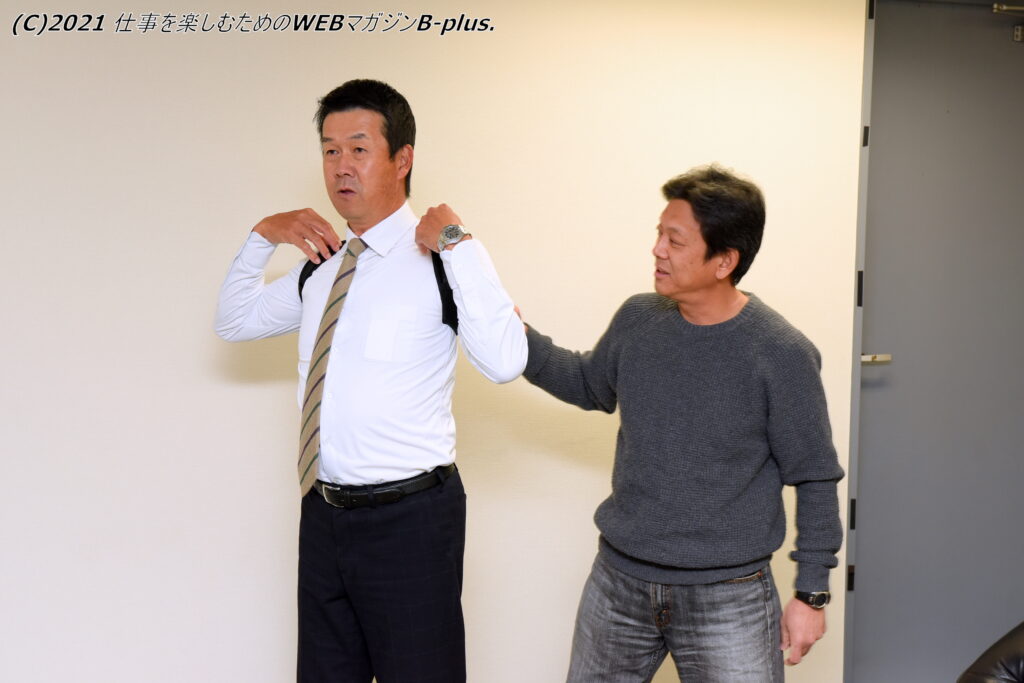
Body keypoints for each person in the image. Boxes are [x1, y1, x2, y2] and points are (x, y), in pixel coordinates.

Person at [214, 79, 527, 683]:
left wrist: (456, 241)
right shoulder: (321, 266)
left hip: (411, 521)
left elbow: (505, 360)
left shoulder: (443, 260)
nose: (341, 166)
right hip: (323, 515)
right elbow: (234, 320)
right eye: (330, 150)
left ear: (401, 159)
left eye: (358, 148)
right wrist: (263, 236)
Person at [521, 165, 844, 682]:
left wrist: (812, 593)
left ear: (724, 261)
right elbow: (588, 383)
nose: (657, 250)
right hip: (619, 582)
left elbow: (815, 475)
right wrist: (512, 336)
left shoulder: (781, 353)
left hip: (730, 597)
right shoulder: (638, 319)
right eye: (659, 234)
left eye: (675, 240)